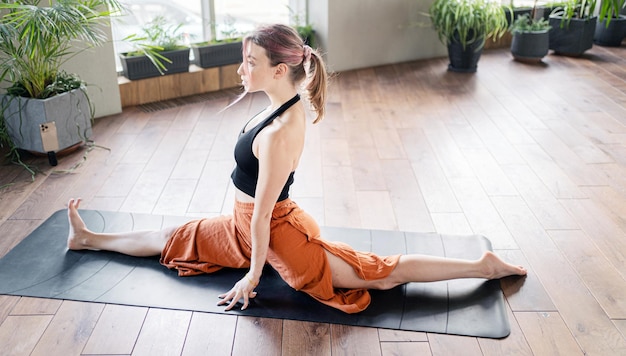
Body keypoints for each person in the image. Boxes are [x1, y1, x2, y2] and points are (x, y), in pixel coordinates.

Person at [66, 24, 526, 313]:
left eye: (250, 62)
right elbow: (253, 212)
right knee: (175, 239)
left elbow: (265, 214)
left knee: (381, 273)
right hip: (242, 227)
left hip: (280, 237)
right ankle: (88, 238)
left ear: (281, 69)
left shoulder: (280, 131)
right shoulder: (277, 105)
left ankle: (481, 266)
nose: (241, 69)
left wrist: (251, 274)